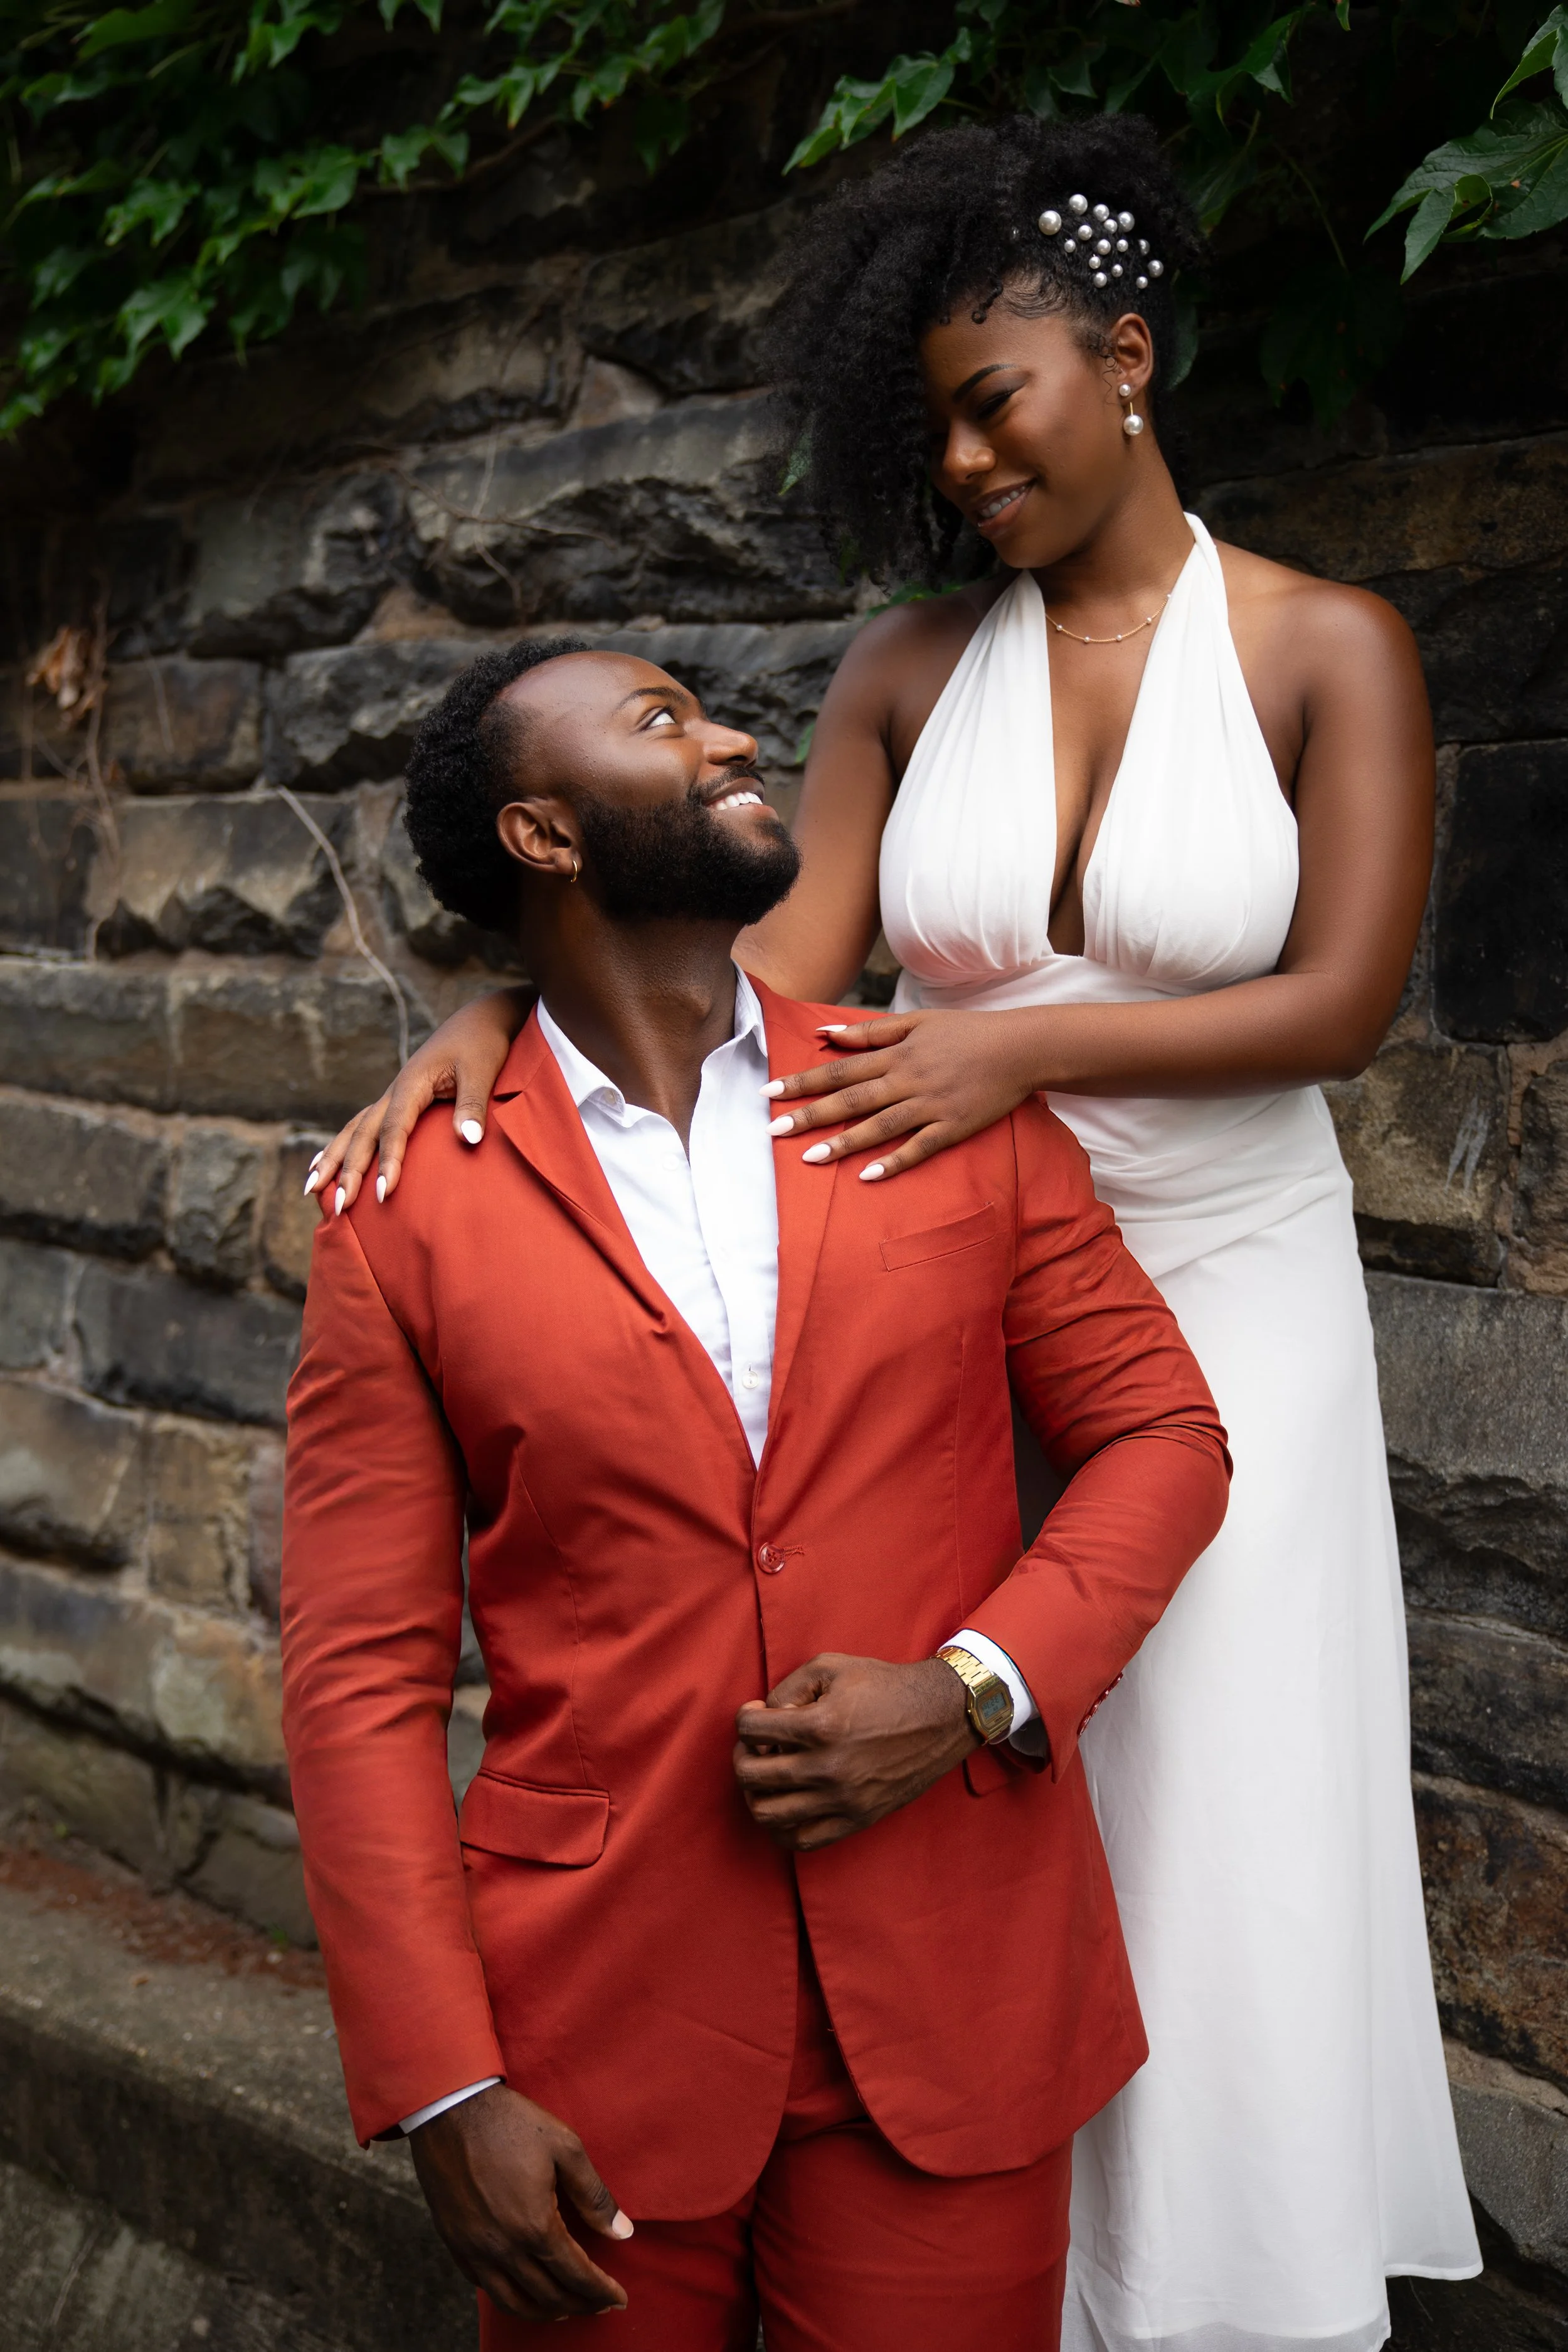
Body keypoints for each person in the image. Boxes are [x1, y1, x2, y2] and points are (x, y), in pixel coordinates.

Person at [307, 114, 1483, 2352]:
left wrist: (1007, 1056)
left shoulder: (1329, 645)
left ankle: (1192, 2307)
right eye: (926, 424)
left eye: (990, 402)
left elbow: (1340, 1000)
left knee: (1201, 1834)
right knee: (930, 1846)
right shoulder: (907, 671)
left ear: (1122, 359)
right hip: (909, 1294)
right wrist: (506, 999)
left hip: (1219, 1295)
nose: (957, 461)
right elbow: (749, 977)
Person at [282, 638, 1231, 2351]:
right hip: (590, 2035)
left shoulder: (933, 1098)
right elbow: (358, 1677)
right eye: (660, 720)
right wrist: (442, 2082)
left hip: (949, 1990)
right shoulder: (404, 1208)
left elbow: (1162, 1433)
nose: (731, 736)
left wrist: (973, 1687)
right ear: (543, 834)